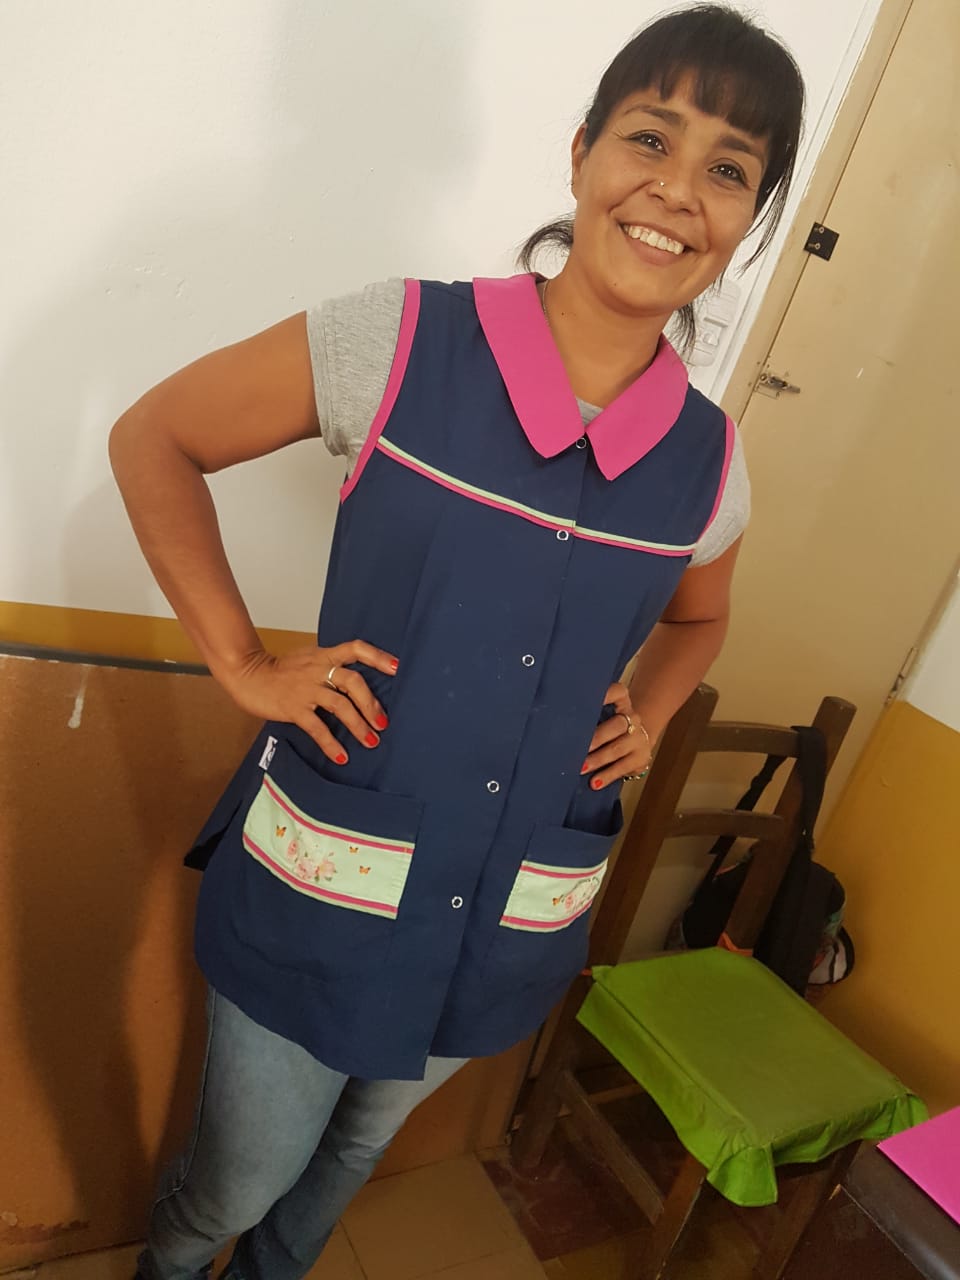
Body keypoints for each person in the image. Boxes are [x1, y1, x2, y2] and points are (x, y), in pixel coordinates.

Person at [109, 5, 805, 1278]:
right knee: (239, 1175)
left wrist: (649, 712)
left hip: (507, 904)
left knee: (360, 1144)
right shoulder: (403, 341)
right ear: (583, 151)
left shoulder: (710, 461)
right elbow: (156, 436)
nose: (676, 190)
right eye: (651, 137)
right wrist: (243, 662)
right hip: (330, 880)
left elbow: (700, 616)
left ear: (750, 218)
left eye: (728, 168)